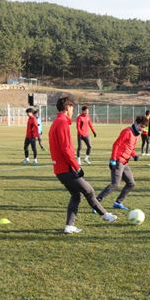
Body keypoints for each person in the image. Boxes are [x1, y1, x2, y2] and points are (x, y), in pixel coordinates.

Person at [49, 97, 117, 234]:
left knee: (76, 195)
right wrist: (77, 166)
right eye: (72, 107)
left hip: (60, 169)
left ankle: (69, 226)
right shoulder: (62, 122)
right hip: (66, 168)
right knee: (89, 191)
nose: (73, 110)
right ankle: (105, 215)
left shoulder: (56, 122)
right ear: (67, 107)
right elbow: (66, 149)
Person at [97, 115, 149, 210]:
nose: (142, 129)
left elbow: (130, 148)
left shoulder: (136, 135)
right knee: (115, 185)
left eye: (144, 127)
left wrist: (134, 155)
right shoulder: (127, 131)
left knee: (131, 183)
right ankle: (96, 202)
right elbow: (116, 144)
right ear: (136, 123)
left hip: (125, 162)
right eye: (141, 126)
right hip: (117, 161)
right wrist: (113, 160)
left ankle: (117, 202)